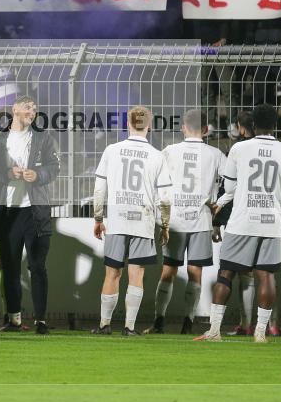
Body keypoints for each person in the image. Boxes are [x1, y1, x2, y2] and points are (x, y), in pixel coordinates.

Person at [196, 104, 281, 343]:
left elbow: (230, 188)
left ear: (253, 124)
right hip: (270, 224)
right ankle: (260, 333)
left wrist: (220, 206)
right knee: (265, 276)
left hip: (241, 222)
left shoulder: (239, 149)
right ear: (276, 125)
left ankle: (214, 331)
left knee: (226, 274)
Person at [0, 95, 60, 334]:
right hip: (7, 213)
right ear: (14, 110)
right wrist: (6, 174)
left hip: (35, 212)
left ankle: (41, 321)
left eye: (35, 109)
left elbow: (53, 168)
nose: (32, 111)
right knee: (10, 267)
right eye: (28, 107)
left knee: (37, 267)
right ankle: (14, 319)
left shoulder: (43, 137)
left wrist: (38, 176)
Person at [91, 106, 172, 336]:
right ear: (149, 125)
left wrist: (98, 218)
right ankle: (129, 327)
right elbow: (165, 198)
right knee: (137, 274)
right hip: (142, 220)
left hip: (116, 219)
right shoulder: (157, 156)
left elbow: (99, 189)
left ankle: (104, 325)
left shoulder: (112, 150)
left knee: (112, 273)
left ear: (127, 124)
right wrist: (164, 224)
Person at [146, 110, 225, 335]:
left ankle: (159, 321)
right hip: (201, 221)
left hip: (175, 221)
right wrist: (216, 208)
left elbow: (155, 179)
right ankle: (188, 323)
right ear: (205, 129)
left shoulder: (170, 151)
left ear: (183, 127)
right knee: (195, 272)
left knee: (168, 271)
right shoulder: (215, 154)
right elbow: (232, 181)